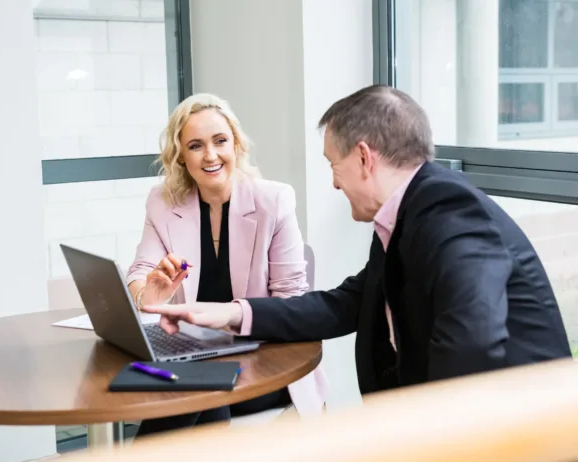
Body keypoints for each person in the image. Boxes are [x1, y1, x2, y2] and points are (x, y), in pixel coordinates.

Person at [143, 85, 572, 397]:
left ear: (364, 158)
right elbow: (342, 305)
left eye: (334, 165)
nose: (333, 183)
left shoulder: (451, 211)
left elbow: (471, 343)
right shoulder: (404, 216)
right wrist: (228, 313)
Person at [126, 93, 328, 437]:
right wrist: (149, 292)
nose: (210, 155)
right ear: (180, 156)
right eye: (195, 145)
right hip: (194, 359)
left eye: (220, 141)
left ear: (235, 144)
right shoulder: (163, 202)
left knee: (193, 392)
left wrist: (234, 323)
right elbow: (140, 270)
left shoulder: (273, 201)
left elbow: (292, 304)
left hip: (262, 361)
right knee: (182, 386)